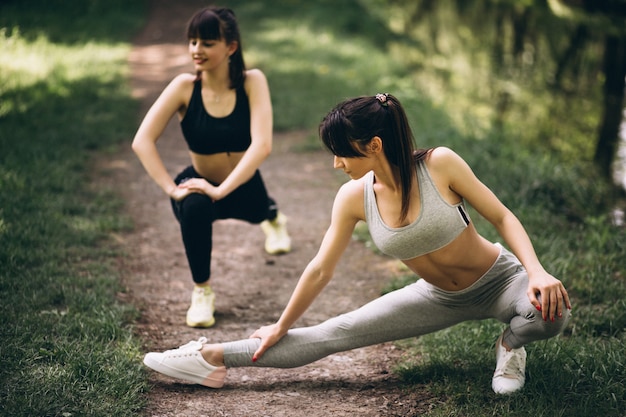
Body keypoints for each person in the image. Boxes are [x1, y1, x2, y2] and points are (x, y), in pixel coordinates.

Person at [143, 93, 572, 394]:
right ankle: (210, 358)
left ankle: (510, 347)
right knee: (333, 334)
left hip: (499, 280)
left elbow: (501, 215)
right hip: (438, 296)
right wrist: (280, 323)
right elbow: (320, 269)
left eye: (342, 152)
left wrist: (535, 271)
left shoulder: (440, 165)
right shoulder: (354, 197)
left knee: (553, 315)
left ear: (374, 145)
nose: (336, 163)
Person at [131, 6, 291, 329]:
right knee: (193, 206)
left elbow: (262, 145)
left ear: (231, 47)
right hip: (202, 183)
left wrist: (221, 190)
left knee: (262, 210)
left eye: (207, 42)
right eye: (193, 42)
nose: (196, 50)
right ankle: (202, 291)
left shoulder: (252, 82)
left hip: (242, 183)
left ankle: (274, 219)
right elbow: (142, 141)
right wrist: (172, 188)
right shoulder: (183, 88)